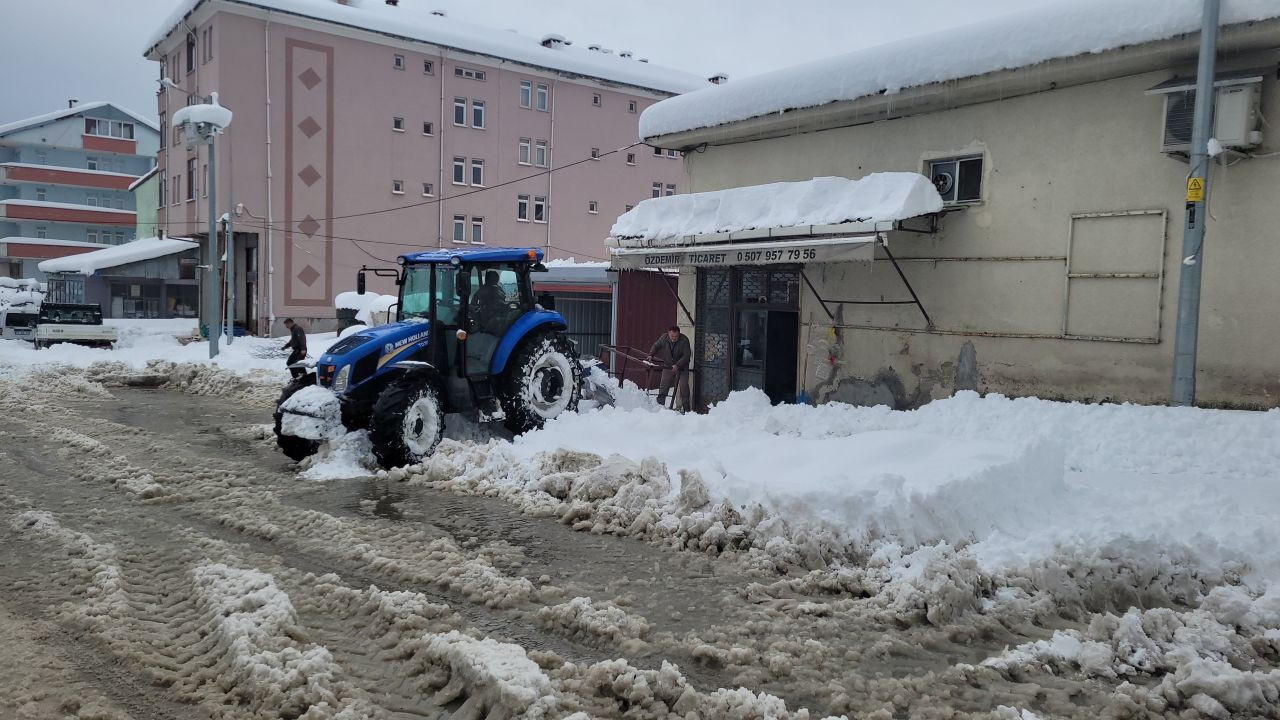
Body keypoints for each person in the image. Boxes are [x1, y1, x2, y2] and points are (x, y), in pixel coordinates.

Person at [650, 325, 691, 411]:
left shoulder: (684, 340)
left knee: (683, 385)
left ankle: (687, 409)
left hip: (682, 366)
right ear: (668, 333)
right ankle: (660, 406)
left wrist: (678, 365)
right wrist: (651, 354)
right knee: (664, 385)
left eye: (676, 336)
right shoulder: (663, 338)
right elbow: (656, 346)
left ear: (679, 334)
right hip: (668, 365)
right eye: (672, 336)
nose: (674, 338)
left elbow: (687, 355)